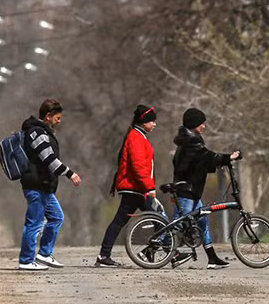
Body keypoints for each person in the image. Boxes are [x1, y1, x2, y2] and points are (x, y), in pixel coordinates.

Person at [95, 105, 190, 267]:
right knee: (159, 217)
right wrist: (149, 187)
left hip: (135, 188)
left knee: (123, 221)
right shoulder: (136, 138)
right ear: (144, 122)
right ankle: (172, 253)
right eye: (152, 121)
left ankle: (104, 256)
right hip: (135, 188)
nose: (154, 124)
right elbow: (138, 166)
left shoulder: (138, 136)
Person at [172, 107, 241, 269]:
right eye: (202, 123)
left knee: (203, 221)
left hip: (192, 190)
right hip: (187, 191)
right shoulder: (192, 141)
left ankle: (212, 258)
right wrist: (227, 158)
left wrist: (220, 162)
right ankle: (160, 250)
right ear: (194, 124)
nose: (204, 125)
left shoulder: (189, 140)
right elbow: (207, 156)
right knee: (177, 225)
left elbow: (199, 162)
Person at [17, 98, 82, 271]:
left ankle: (44, 253)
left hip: (44, 186)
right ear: (48, 116)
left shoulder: (42, 131)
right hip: (36, 185)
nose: (59, 121)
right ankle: (26, 260)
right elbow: (49, 159)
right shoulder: (37, 132)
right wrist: (70, 173)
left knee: (56, 217)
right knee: (34, 223)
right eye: (57, 118)